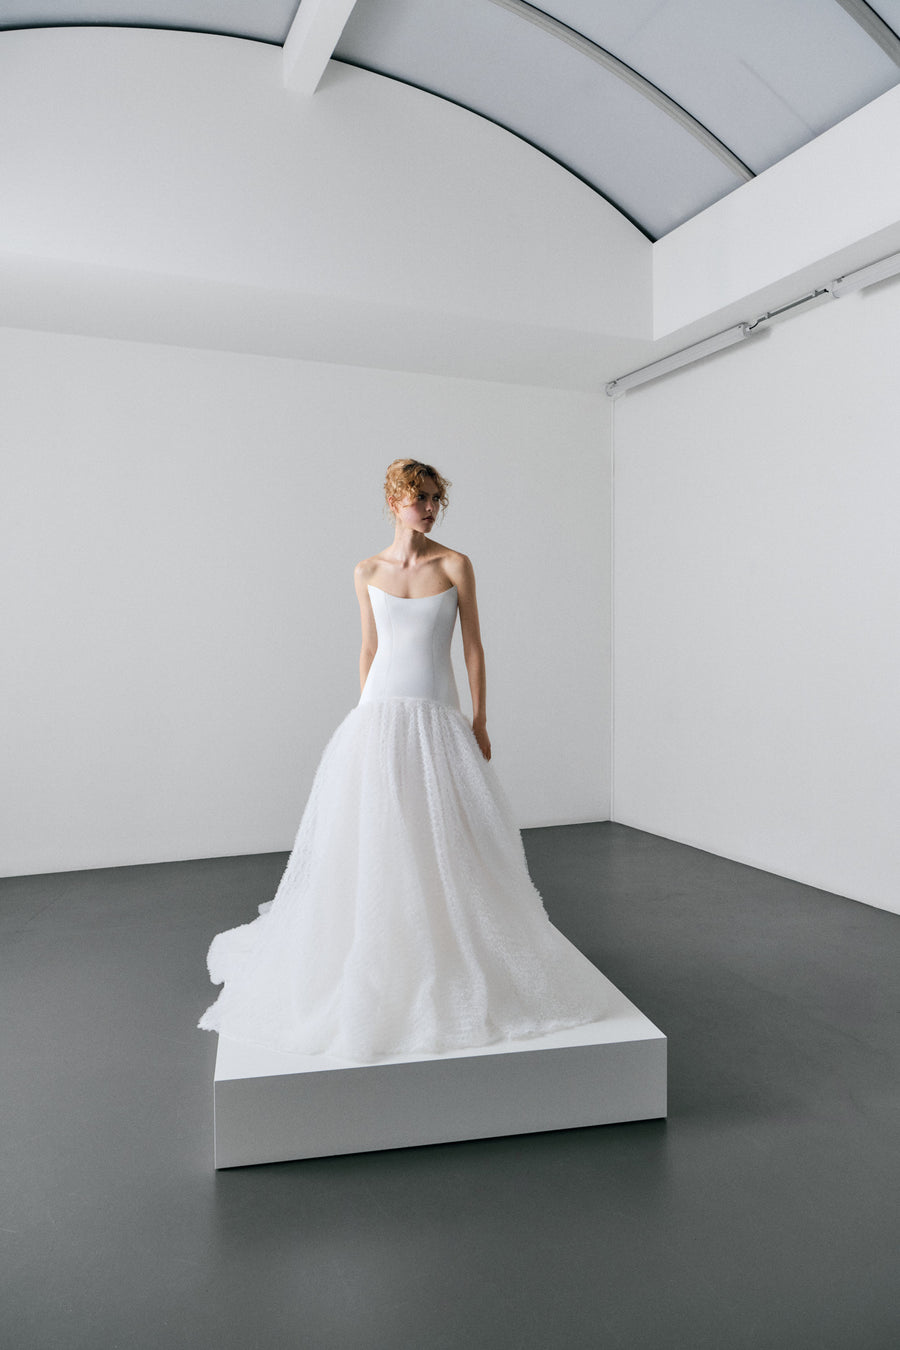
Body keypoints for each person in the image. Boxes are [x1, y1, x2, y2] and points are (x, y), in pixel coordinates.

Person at [199, 459, 608, 1061]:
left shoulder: (455, 564)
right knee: (376, 835)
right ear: (394, 501)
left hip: (438, 715)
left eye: (436, 498)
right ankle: (379, 948)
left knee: (446, 833)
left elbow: (473, 647)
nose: (430, 508)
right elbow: (370, 647)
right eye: (420, 498)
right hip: (380, 716)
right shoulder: (366, 570)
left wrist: (480, 719)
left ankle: (446, 947)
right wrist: (365, 719)